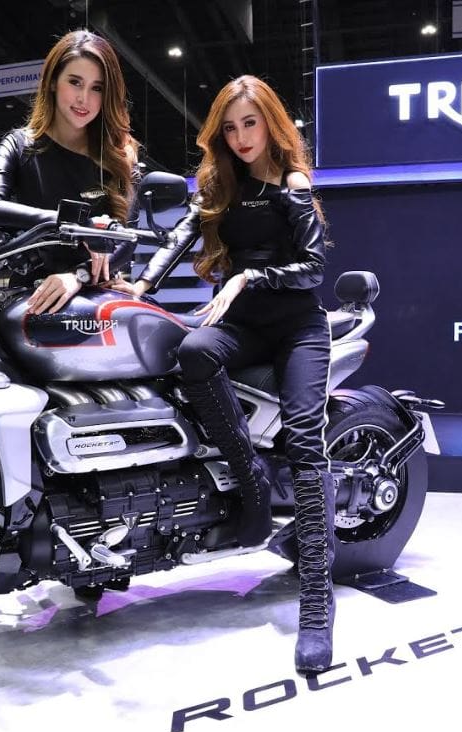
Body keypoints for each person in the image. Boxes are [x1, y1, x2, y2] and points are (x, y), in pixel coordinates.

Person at [116, 75, 335, 674]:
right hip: (241, 325)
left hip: (298, 327)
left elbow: (313, 268)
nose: (240, 136)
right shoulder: (219, 185)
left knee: (305, 443)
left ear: (270, 123)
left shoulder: (291, 184)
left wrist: (246, 277)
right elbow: (180, 236)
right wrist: (138, 285)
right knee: (190, 353)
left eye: (250, 123)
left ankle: (317, 605)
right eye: (230, 127)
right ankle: (250, 479)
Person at [0, 28, 140, 315]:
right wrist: (77, 225)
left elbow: (127, 239)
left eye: (97, 88)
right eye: (75, 82)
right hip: (30, 296)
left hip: (95, 296)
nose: (84, 99)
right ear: (53, 82)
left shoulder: (120, 155)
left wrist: (79, 275)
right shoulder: (19, 144)